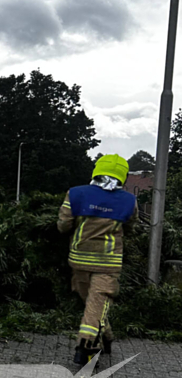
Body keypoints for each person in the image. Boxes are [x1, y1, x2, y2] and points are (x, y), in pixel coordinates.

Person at [57, 154, 137, 366]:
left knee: (92, 303)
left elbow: (63, 225)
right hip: (108, 263)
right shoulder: (129, 200)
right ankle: (87, 348)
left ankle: (106, 337)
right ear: (123, 176)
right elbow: (130, 228)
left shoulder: (75, 194)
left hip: (79, 259)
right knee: (97, 304)